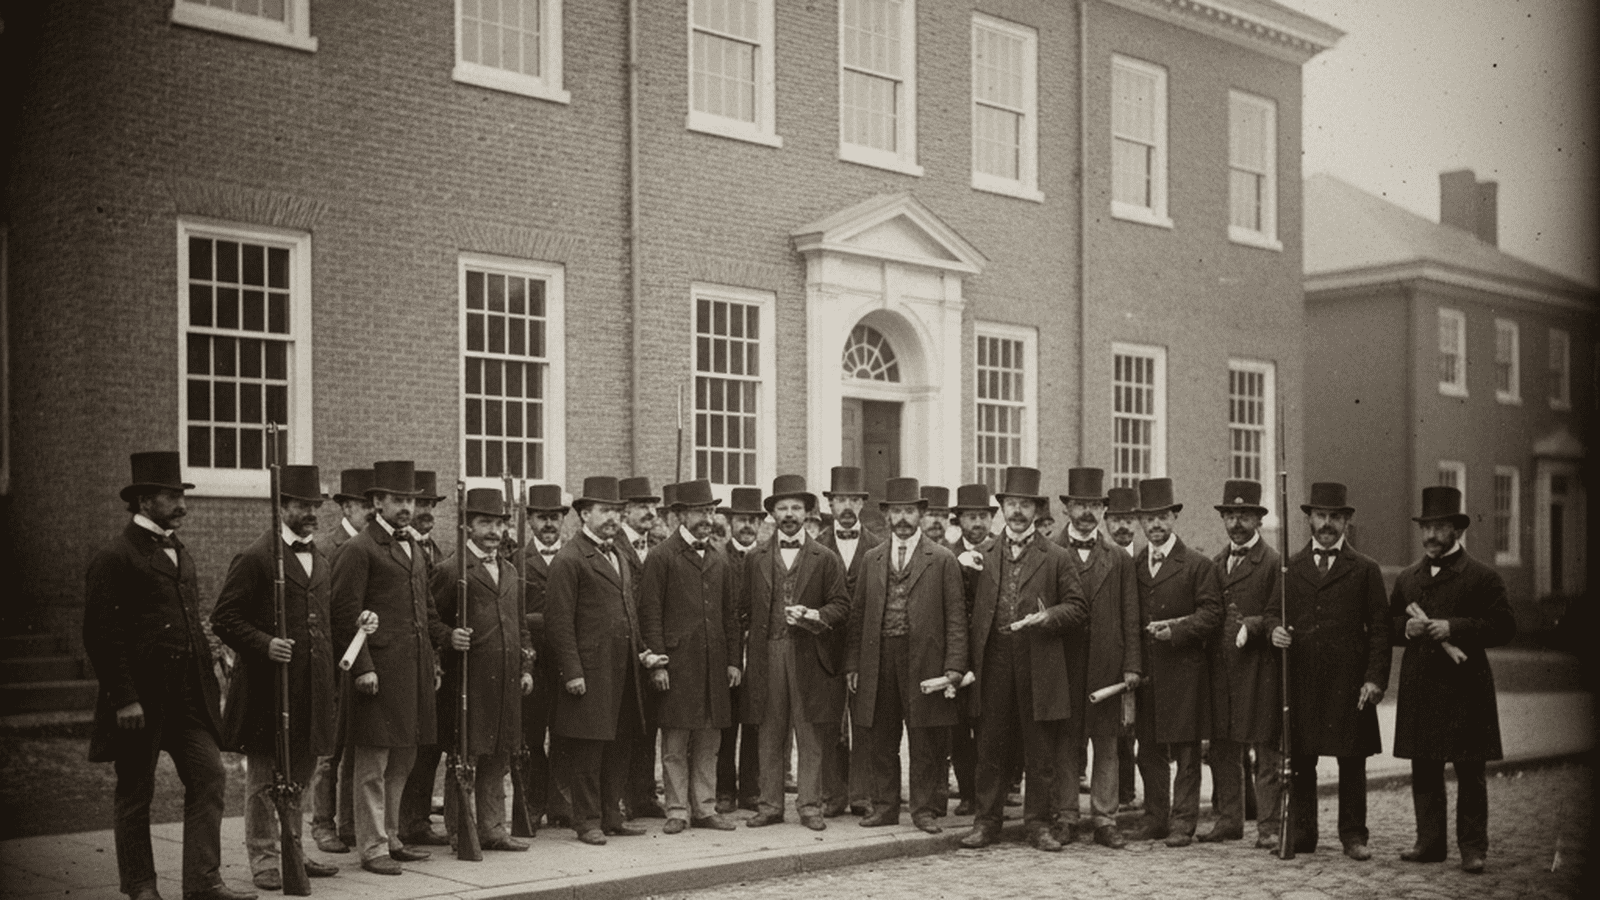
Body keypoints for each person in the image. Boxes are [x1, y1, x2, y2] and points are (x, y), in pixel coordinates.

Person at [84, 452, 256, 900]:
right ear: (144, 501)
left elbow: (185, 620)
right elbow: (102, 636)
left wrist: (213, 657)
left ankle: (203, 882)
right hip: (140, 700)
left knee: (210, 776)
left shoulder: (179, 550)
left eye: (182, 494)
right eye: (171, 495)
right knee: (135, 792)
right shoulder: (115, 556)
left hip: (187, 699)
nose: (181, 503)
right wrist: (124, 698)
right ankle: (141, 886)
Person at [212, 464, 344, 890]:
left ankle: (293, 848)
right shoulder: (256, 557)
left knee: (301, 773)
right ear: (281, 506)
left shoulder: (319, 558)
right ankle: (265, 858)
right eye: (301, 505)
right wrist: (265, 643)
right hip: (270, 689)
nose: (310, 513)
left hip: (312, 686)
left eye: (314, 505)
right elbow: (224, 618)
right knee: (265, 778)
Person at [959, 466, 1089, 852]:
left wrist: (1048, 617)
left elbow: (1079, 607)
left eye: (1025, 505)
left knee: (1040, 751)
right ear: (1002, 508)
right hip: (995, 661)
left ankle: (1037, 824)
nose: (1017, 511)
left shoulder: (1057, 557)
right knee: (990, 747)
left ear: (1036, 510)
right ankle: (986, 823)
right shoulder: (982, 555)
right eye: (1011, 503)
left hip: (1039, 662)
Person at [1388, 486, 1515, 874]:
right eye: (1426, 527)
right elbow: (1388, 625)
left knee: (1469, 771)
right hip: (1422, 686)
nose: (1429, 536)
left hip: (1465, 689)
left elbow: (1505, 627)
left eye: (1439, 528)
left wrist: (1454, 627)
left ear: (1456, 531)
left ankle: (1473, 848)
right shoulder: (1408, 579)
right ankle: (1429, 843)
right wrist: (1407, 628)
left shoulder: (1482, 578)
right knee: (1424, 768)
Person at [331, 460, 445, 876]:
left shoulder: (412, 546)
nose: (405, 507)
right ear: (377, 502)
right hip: (376, 674)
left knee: (404, 756)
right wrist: (362, 667)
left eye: (410, 500)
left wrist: (438, 650)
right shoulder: (359, 549)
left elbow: (425, 610)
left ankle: (391, 835)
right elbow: (343, 614)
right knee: (372, 764)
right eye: (397, 500)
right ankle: (372, 845)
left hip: (411, 673)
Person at [1267, 481, 1389, 858]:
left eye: (1335, 517)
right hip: (1304, 680)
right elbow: (1274, 612)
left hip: (1348, 682)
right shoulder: (1290, 568)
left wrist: (1373, 678)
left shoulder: (1366, 569)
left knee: (1351, 760)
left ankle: (1353, 836)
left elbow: (1381, 630)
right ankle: (1304, 834)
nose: (1327, 523)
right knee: (1302, 760)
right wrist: (1275, 631)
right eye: (1321, 516)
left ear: (1346, 522)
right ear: (1309, 520)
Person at [844, 478, 966, 834]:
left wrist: (955, 666)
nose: (902, 518)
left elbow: (956, 617)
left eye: (909, 511)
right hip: (879, 657)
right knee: (882, 736)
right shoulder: (872, 558)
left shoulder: (941, 559)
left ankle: (924, 809)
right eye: (896, 511)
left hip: (924, 659)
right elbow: (858, 615)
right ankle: (884, 806)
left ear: (921, 515)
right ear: (885, 515)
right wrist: (853, 662)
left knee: (924, 737)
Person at [742, 475, 852, 831]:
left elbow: (842, 605)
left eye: (796, 508)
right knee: (770, 732)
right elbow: (742, 608)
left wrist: (815, 616)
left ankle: (809, 806)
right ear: (772, 513)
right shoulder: (755, 557)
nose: (789, 514)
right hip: (768, 653)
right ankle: (770, 805)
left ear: (807, 513)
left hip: (809, 654)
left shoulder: (825, 558)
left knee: (810, 733)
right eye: (782, 508)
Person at [546, 476, 649, 845]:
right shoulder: (570, 559)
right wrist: (573, 672)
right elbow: (559, 622)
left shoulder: (618, 555)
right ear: (584, 514)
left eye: (617, 512)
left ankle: (611, 815)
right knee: (588, 750)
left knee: (619, 745)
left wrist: (642, 652)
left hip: (622, 671)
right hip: (590, 673)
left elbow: (628, 613)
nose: (612, 518)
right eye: (605, 511)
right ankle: (586, 821)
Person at [430, 487, 534, 853]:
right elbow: (432, 621)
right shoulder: (450, 571)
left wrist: (526, 664)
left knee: (499, 755)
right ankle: (461, 831)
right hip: (469, 681)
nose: (493, 531)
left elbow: (519, 624)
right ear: (467, 527)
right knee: (465, 756)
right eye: (484, 523)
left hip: (505, 680)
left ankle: (493, 828)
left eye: (498, 524)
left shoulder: (509, 570)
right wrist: (448, 637)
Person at [638, 478, 743, 833]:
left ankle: (705, 807)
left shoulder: (719, 558)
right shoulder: (661, 557)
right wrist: (658, 662)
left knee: (709, 741)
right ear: (681, 515)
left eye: (711, 511)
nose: (706, 518)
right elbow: (650, 614)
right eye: (699, 511)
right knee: (675, 742)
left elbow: (730, 616)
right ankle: (677, 810)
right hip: (677, 667)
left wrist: (733, 660)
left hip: (713, 667)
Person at [1126, 478, 1223, 848]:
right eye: (1149, 518)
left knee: (1186, 753)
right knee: (1148, 750)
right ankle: (1155, 818)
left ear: (1174, 518)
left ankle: (1184, 822)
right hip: (1149, 674)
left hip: (1184, 673)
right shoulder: (1134, 565)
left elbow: (1213, 614)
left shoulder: (1196, 564)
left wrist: (1178, 630)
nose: (1155, 525)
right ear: (1140, 521)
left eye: (1162, 517)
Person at [1052, 468, 1141, 849]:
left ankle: (1105, 818)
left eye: (1093, 506)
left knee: (1106, 744)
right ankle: (1067, 816)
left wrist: (1132, 664)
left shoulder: (1119, 558)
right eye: (1079, 505)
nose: (1086, 512)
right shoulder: (1051, 552)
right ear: (1067, 508)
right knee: (1066, 742)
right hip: (1065, 663)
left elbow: (1130, 614)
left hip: (1107, 663)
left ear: (1102, 510)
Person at [1203, 480, 1283, 846]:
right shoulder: (1216, 564)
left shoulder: (1273, 565)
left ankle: (1268, 826)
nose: (1237, 523)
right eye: (1230, 515)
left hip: (1259, 669)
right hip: (1222, 671)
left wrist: (1251, 626)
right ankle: (1229, 820)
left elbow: (1277, 615)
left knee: (1265, 750)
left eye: (1245, 516)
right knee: (1223, 749)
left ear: (1258, 520)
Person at [310, 467, 373, 854]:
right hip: (335, 661)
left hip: (367, 660)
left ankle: (350, 823)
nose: (370, 511)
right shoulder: (327, 547)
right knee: (328, 748)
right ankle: (322, 823)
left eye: (372, 504)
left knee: (358, 743)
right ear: (346, 507)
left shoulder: (377, 546)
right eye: (363, 504)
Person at [816, 465, 879, 817]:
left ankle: (862, 795)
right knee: (827, 722)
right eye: (840, 498)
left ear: (862, 505)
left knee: (863, 721)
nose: (846, 505)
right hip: (824, 648)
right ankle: (832, 795)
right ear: (830, 504)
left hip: (865, 647)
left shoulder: (878, 547)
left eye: (853, 499)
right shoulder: (816, 546)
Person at [512, 483, 572, 835]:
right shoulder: (516, 560)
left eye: (554, 517)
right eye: (541, 518)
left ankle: (560, 802)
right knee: (532, 736)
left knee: (564, 733)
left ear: (563, 520)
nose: (548, 524)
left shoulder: (575, 556)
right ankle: (533, 803)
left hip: (567, 660)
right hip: (533, 663)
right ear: (530, 521)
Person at [615, 475, 668, 820]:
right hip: (622, 649)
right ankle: (619, 797)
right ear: (624, 513)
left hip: (653, 646)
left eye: (652, 506)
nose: (649, 512)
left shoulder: (658, 546)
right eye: (641, 507)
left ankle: (644, 794)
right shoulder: (615, 545)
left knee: (648, 724)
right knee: (623, 726)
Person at [944, 483, 995, 817]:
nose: (977, 523)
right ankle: (966, 793)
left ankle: (993, 793)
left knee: (993, 725)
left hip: (993, 651)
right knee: (959, 726)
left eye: (983, 517)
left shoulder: (1003, 552)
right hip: (956, 650)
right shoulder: (943, 554)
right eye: (970, 517)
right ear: (959, 520)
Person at [716, 487, 766, 814]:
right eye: (740, 520)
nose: (746, 526)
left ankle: (751, 789)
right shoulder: (718, 556)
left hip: (759, 649)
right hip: (724, 651)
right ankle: (723, 791)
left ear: (760, 524)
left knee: (755, 721)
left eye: (752, 520)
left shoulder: (766, 557)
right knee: (725, 724)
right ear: (730, 522)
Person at [1103, 485, 1142, 810]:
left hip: (1140, 656)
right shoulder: (1102, 559)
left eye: (1129, 519)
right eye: (1116, 519)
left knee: (1134, 729)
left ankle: (1129, 794)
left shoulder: (1144, 561)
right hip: (1107, 658)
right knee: (1113, 730)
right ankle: (1119, 794)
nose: (1122, 526)